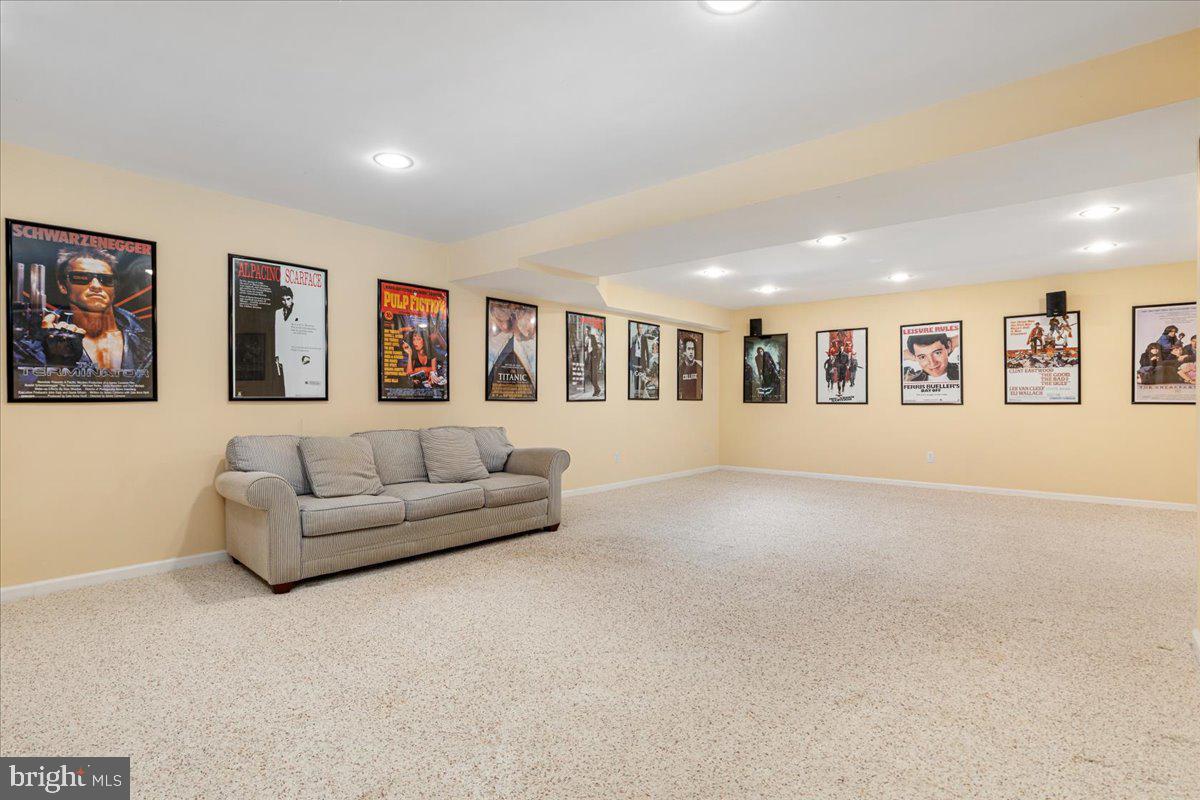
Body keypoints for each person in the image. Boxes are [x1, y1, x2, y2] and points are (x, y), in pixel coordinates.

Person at [15, 247, 153, 375]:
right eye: (82, 278)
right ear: (62, 286)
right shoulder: (38, 340)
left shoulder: (145, 334)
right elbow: (25, 388)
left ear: (114, 287)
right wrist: (58, 365)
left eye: (106, 279)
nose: (96, 286)